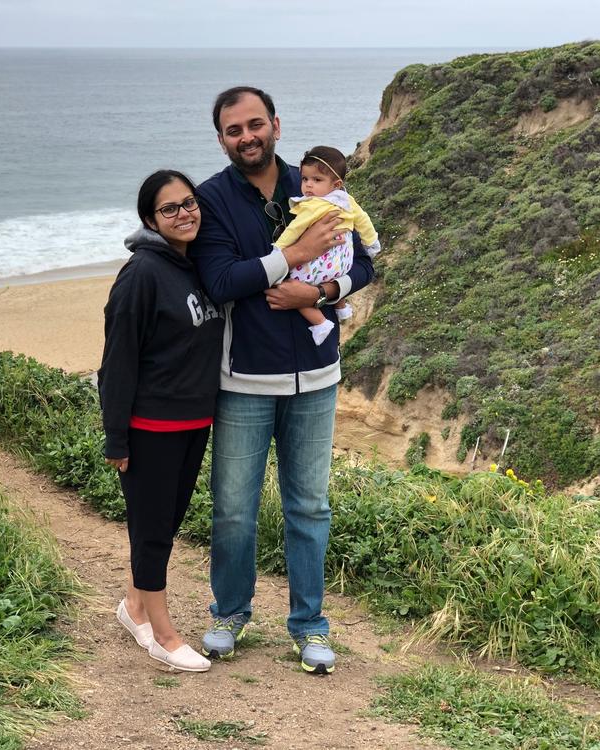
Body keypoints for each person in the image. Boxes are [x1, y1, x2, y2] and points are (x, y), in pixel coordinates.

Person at [188, 87, 375, 675]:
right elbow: (220, 279)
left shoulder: (316, 183)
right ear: (221, 139)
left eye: (255, 124)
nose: (247, 137)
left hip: (318, 377)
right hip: (243, 378)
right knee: (235, 511)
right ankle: (230, 614)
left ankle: (310, 624)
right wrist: (291, 260)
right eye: (233, 130)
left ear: (275, 124)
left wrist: (318, 292)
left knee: (310, 508)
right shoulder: (212, 199)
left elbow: (362, 262)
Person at [98, 169, 224, 673]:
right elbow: (118, 361)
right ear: (151, 219)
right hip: (151, 426)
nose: (183, 213)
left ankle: (134, 607)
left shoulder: (195, 265)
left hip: (194, 422)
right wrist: (116, 437)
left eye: (188, 202)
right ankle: (164, 636)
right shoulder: (142, 274)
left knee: (166, 525)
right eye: (169, 209)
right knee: (151, 532)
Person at [273, 145, 381, 345]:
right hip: (343, 259)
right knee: (336, 277)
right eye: (305, 179)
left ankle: (320, 322)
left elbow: (294, 229)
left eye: (317, 180)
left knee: (290, 284)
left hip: (322, 261)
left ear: (336, 183)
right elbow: (363, 220)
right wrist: (371, 241)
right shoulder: (346, 200)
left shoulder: (313, 205)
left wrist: (278, 249)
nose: (308, 186)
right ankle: (341, 306)